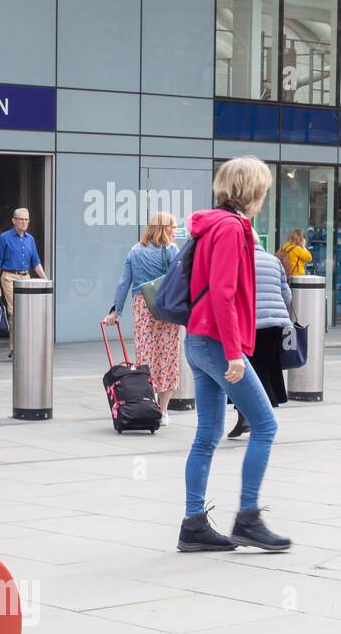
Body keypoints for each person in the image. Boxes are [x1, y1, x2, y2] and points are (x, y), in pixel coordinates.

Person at [179, 157, 290, 553]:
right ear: (251, 190)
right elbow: (224, 294)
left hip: (198, 338)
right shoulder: (229, 228)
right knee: (265, 425)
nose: (265, 195)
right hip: (216, 343)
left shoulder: (215, 225)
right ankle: (248, 518)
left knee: (207, 434)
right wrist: (234, 354)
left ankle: (193, 525)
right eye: (263, 188)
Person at [104, 212, 182, 424]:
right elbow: (181, 278)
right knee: (168, 357)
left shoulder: (135, 251)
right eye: (173, 227)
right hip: (167, 308)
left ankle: (148, 404)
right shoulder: (172, 250)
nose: (175, 231)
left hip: (142, 308)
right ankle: (163, 411)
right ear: (165, 228)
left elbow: (124, 283)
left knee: (145, 358)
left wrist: (115, 311)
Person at [227, 237, 293, 439]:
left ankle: (250, 419)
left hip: (248, 324)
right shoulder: (274, 260)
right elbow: (286, 293)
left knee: (244, 372)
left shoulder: (238, 259)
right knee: (267, 369)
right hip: (274, 323)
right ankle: (259, 417)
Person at [0, 207, 48, 357]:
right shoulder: (4, 238)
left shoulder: (30, 239)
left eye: (26, 219)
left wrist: (46, 280)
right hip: (9, 277)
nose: (24, 222)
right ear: (13, 221)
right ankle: (15, 348)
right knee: (15, 312)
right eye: (21, 219)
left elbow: (36, 263)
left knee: (27, 313)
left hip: (25, 278)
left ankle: (23, 346)